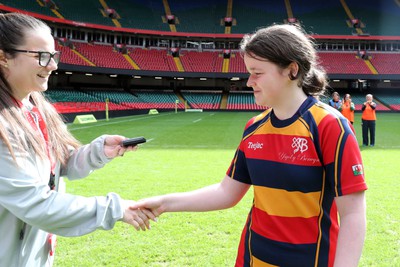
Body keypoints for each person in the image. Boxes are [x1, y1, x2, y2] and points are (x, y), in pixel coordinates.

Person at [131, 24, 367, 267]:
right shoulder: (254, 127)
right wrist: (165, 203)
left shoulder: (329, 126)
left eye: (257, 73)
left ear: (291, 70)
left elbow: (353, 215)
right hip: (252, 259)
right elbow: (227, 192)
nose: (248, 82)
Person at [0, 13, 155, 266]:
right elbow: (36, 204)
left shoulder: (37, 108)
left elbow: (56, 167)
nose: (53, 66)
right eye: (41, 56)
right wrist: (115, 209)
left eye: (53, 56)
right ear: (4, 57)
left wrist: (98, 151)